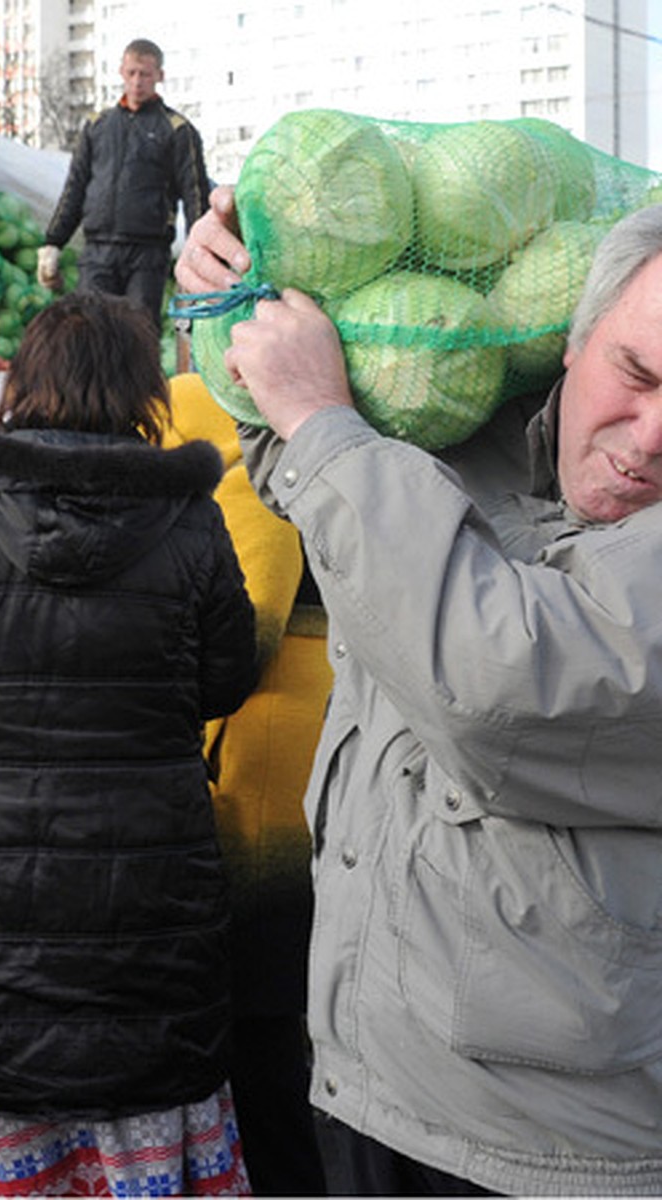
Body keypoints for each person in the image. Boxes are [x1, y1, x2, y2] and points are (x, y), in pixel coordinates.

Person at [178, 191, 662, 1194]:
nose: (653, 433)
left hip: (553, 1156)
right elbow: (320, 491)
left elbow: (496, 680)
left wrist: (321, 418)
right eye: (638, 373)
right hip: (372, 1079)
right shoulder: (491, 448)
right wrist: (245, 297)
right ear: (572, 344)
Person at [0, 292, 260, 1197]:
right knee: (151, 1080)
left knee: (16, 1078)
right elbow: (225, 679)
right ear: (141, 389)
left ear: (28, 384)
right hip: (151, 881)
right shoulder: (190, 517)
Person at [163, 372, 331, 1197]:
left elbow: (245, 634)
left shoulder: (255, 487)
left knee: (262, 1005)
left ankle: (282, 1171)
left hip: (267, 765)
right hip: (303, 743)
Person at [36, 38, 210, 333]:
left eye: (145, 74)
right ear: (120, 72)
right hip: (97, 252)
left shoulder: (178, 130)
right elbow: (75, 187)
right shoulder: (97, 126)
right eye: (131, 73)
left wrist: (203, 252)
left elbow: (195, 195)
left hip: (147, 254)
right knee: (88, 333)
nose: (137, 81)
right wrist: (53, 242)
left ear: (160, 76)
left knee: (137, 335)